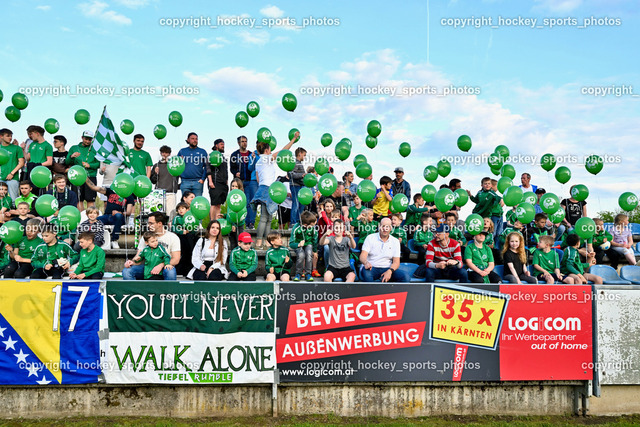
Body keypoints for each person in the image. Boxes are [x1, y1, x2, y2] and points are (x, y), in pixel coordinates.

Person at [250, 131, 299, 249]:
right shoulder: (267, 158)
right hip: (269, 189)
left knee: (267, 217)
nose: (272, 152)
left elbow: (257, 178)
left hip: (262, 188)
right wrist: (293, 139)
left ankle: (266, 242)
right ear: (266, 151)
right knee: (265, 218)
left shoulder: (258, 162)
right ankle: (259, 242)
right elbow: (283, 151)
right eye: (270, 150)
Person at [123, 212, 180, 280]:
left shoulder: (172, 237)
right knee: (127, 271)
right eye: (148, 223)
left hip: (164, 267)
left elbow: (176, 259)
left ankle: (168, 291)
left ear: (159, 224)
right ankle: (135, 290)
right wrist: (132, 262)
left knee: (170, 272)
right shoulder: (146, 237)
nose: (148, 225)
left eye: (151, 223)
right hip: (147, 267)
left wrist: (161, 265)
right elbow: (139, 256)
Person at [84, 178, 132, 249]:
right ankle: (93, 239)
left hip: (118, 218)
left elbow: (128, 212)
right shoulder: (110, 191)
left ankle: (114, 240)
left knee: (118, 216)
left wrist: (119, 212)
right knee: (94, 219)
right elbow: (93, 187)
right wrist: (85, 178)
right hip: (106, 216)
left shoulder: (129, 195)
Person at [359, 218, 410, 282]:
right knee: (367, 275)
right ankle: (373, 292)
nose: (385, 229)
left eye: (387, 227)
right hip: (372, 267)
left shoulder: (395, 241)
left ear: (391, 228)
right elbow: (362, 256)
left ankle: (396, 292)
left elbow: (396, 262)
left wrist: (390, 271)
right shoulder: (370, 238)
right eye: (383, 226)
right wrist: (366, 263)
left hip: (387, 268)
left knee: (406, 277)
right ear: (379, 227)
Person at [65, 131, 99, 211]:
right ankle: (81, 219)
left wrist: (89, 165)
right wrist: (71, 156)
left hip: (90, 176)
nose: (87, 141)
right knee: (78, 199)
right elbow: (67, 162)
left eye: (90, 139)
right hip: (77, 177)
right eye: (86, 139)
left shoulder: (95, 149)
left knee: (90, 199)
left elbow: (99, 164)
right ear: (82, 137)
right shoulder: (74, 148)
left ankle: (91, 219)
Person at [150, 145, 179, 217]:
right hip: (158, 193)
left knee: (171, 215)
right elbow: (152, 181)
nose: (164, 154)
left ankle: (170, 228)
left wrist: (176, 187)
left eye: (166, 153)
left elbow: (179, 176)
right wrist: (155, 173)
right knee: (158, 216)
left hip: (170, 193)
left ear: (169, 154)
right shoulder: (156, 165)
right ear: (160, 153)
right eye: (163, 152)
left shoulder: (174, 165)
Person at [289, 211, 318, 282]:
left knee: (308, 253)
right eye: (311, 225)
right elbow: (291, 243)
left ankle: (308, 273)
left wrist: (314, 251)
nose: (313, 225)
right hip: (298, 244)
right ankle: (298, 273)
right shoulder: (296, 228)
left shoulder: (313, 228)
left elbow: (315, 239)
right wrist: (298, 244)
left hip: (308, 243)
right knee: (301, 255)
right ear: (305, 224)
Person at [25, 125, 53, 195]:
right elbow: (28, 158)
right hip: (30, 171)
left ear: (37, 133)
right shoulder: (32, 144)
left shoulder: (47, 145)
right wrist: (23, 149)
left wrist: (37, 165)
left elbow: (49, 162)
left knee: (39, 193)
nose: (30, 136)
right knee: (29, 192)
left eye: (32, 134)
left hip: (40, 172)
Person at [178, 132, 208, 197]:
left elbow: (206, 167)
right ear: (188, 140)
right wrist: (181, 176)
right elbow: (177, 166)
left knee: (197, 203)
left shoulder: (202, 152)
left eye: (196, 139)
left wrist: (203, 179)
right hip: (185, 181)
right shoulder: (182, 151)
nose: (195, 140)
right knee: (185, 204)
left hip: (198, 182)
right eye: (192, 139)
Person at [0, 128, 25, 200]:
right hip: (1, 178)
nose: (10, 138)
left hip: (13, 178)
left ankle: (14, 210)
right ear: (1, 136)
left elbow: (21, 163)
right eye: (8, 136)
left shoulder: (17, 148)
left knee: (14, 199)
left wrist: (12, 173)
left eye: (11, 136)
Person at [207, 138, 228, 222]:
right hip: (215, 182)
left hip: (223, 183)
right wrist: (210, 181)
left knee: (219, 204)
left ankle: (217, 222)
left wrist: (226, 181)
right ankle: (212, 221)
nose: (223, 146)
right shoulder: (211, 155)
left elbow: (225, 170)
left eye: (223, 144)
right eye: (221, 144)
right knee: (214, 203)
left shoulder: (223, 157)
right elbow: (208, 168)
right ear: (216, 145)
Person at [288, 147, 307, 226]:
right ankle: (293, 222)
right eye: (304, 155)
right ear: (300, 154)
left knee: (300, 204)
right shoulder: (295, 162)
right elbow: (291, 174)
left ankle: (298, 222)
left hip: (300, 186)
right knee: (295, 204)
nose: (305, 157)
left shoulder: (299, 163)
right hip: (295, 185)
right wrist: (302, 175)